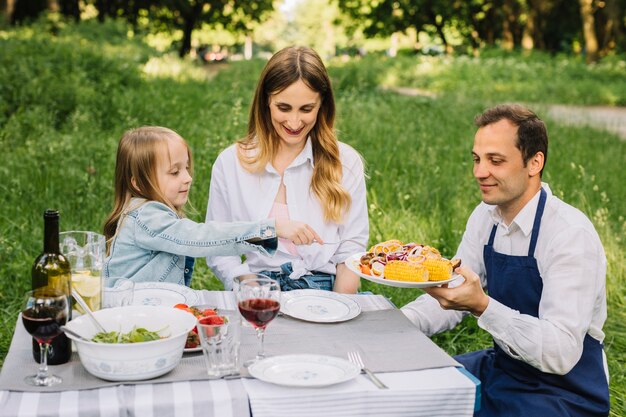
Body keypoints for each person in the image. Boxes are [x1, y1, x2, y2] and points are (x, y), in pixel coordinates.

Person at [402, 104, 610, 416]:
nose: (479, 172)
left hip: (565, 392)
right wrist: (398, 324)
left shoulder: (569, 235)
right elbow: (453, 290)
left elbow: (560, 353)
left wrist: (482, 306)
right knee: (413, 394)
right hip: (503, 367)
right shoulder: (485, 216)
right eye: (476, 159)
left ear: (534, 162)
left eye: (495, 161)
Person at [206, 46, 368, 293]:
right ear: (266, 102)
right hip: (257, 287)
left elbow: (351, 252)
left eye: (306, 109)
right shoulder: (231, 163)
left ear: (322, 105)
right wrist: (252, 290)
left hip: (324, 290)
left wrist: (338, 309)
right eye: (283, 108)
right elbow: (219, 246)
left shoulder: (346, 161)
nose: (294, 123)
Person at [103, 126, 318, 287]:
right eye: (174, 172)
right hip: (130, 315)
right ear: (138, 183)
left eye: (186, 168)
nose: (188, 178)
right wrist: (271, 229)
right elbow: (200, 237)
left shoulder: (151, 214)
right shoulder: (147, 216)